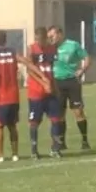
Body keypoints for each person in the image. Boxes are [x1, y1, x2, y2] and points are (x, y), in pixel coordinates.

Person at [0, 30, 49, 162]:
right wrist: (43, 76)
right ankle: (15, 154)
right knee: (12, 125)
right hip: (14, 95)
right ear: (6, 39)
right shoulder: (13, 53)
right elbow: (28, 63)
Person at [49, 26, 91, 151]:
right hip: (57, 83)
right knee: (60, 114)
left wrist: (82, 70)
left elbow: (87, 57)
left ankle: (84, 140)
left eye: (53, 35)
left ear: (60, 34)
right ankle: (61, 142)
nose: (51, 38)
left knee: (78, 112)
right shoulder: (50, 49)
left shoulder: (73, 45)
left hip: (72, 82)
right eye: (49, 36)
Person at [27, 27, 62, 159]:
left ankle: (55, 148)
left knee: (55, 119)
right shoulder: (31, 49)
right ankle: (34, 150)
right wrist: (43, 83)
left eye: (40, 39)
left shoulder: (52, 49)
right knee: (34, 121)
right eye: (36, 39)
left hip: (51, 90)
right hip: (36, 91)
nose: (38, 42)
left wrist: (54, 86)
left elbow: (52, 69)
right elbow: (30, 71)